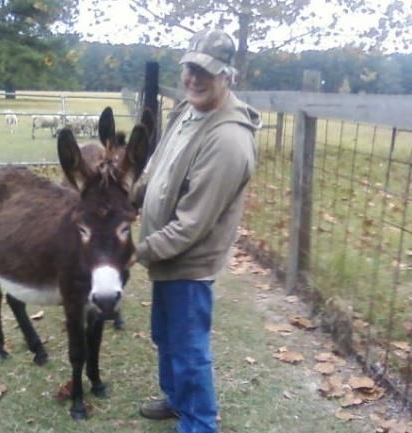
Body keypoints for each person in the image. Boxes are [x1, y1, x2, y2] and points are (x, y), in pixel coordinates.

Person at [135, 28, 261, 433]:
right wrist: (131, 197)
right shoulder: (188, 110)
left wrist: (136, 250)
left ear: (227, 76)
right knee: (165, 336)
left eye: (204, 72)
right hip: (165, 255)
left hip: (189, 263)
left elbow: (190, 225)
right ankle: (176, 400)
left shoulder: (228, 141)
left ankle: (200, 424)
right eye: (189, 68)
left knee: (189, 350)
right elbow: (157, 163)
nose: (193, 78)